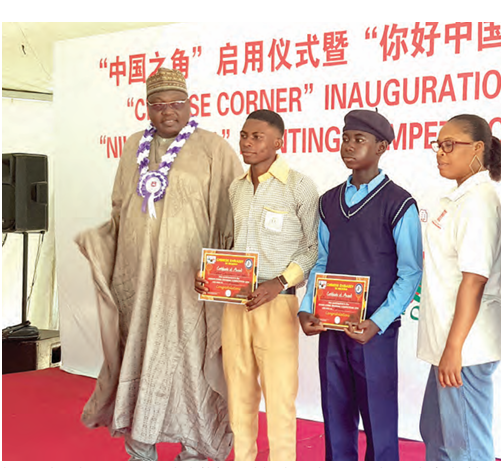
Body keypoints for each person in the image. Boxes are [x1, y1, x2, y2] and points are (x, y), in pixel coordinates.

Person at [76, 67, 244, 461]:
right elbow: (120, 208)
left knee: (191, 360)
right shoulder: (133, 144)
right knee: (137, 352)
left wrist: (226, 273)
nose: (168, 112)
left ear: (190, 105)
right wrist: (100, 245)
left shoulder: (213, 148)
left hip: (190, 284)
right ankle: (141, 443)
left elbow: (230, 215)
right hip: (139, 280)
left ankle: (197, 444)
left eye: (176, 104)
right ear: (147, 108)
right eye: (159, 105)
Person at [297, 109, 423, 461]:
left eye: (359, 140)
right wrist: (307, 308)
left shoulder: (399, 203)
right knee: (335, 416)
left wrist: (378, 322)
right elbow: (322, 261)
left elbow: (411, 271)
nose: (349, 146)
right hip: (332, 327)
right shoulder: (328, 201)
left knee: (379, 419)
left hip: (373, 332)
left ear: (382, 147)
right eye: (346, 138)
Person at [195, 109, 319, 461]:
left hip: (277, 302)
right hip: (235, 303)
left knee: (280, 395)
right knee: (239, 391)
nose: (247, 143)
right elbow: (227, 245)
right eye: (244, 136)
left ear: (279, 142)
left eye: (257, 137)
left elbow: (312, 248)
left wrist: (279, 283)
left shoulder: (299, 186)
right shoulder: (235, 188)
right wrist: (211, 275)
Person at [417, 114, 501, 461]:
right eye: (438, 145)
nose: (440, 153)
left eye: (449, 145)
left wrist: (454, 349)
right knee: (437, 433)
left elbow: (474, 279)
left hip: (465, 347)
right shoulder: (457, 198)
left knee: (465, 447)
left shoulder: (479, 201)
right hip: (448, 342)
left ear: (477, 149)